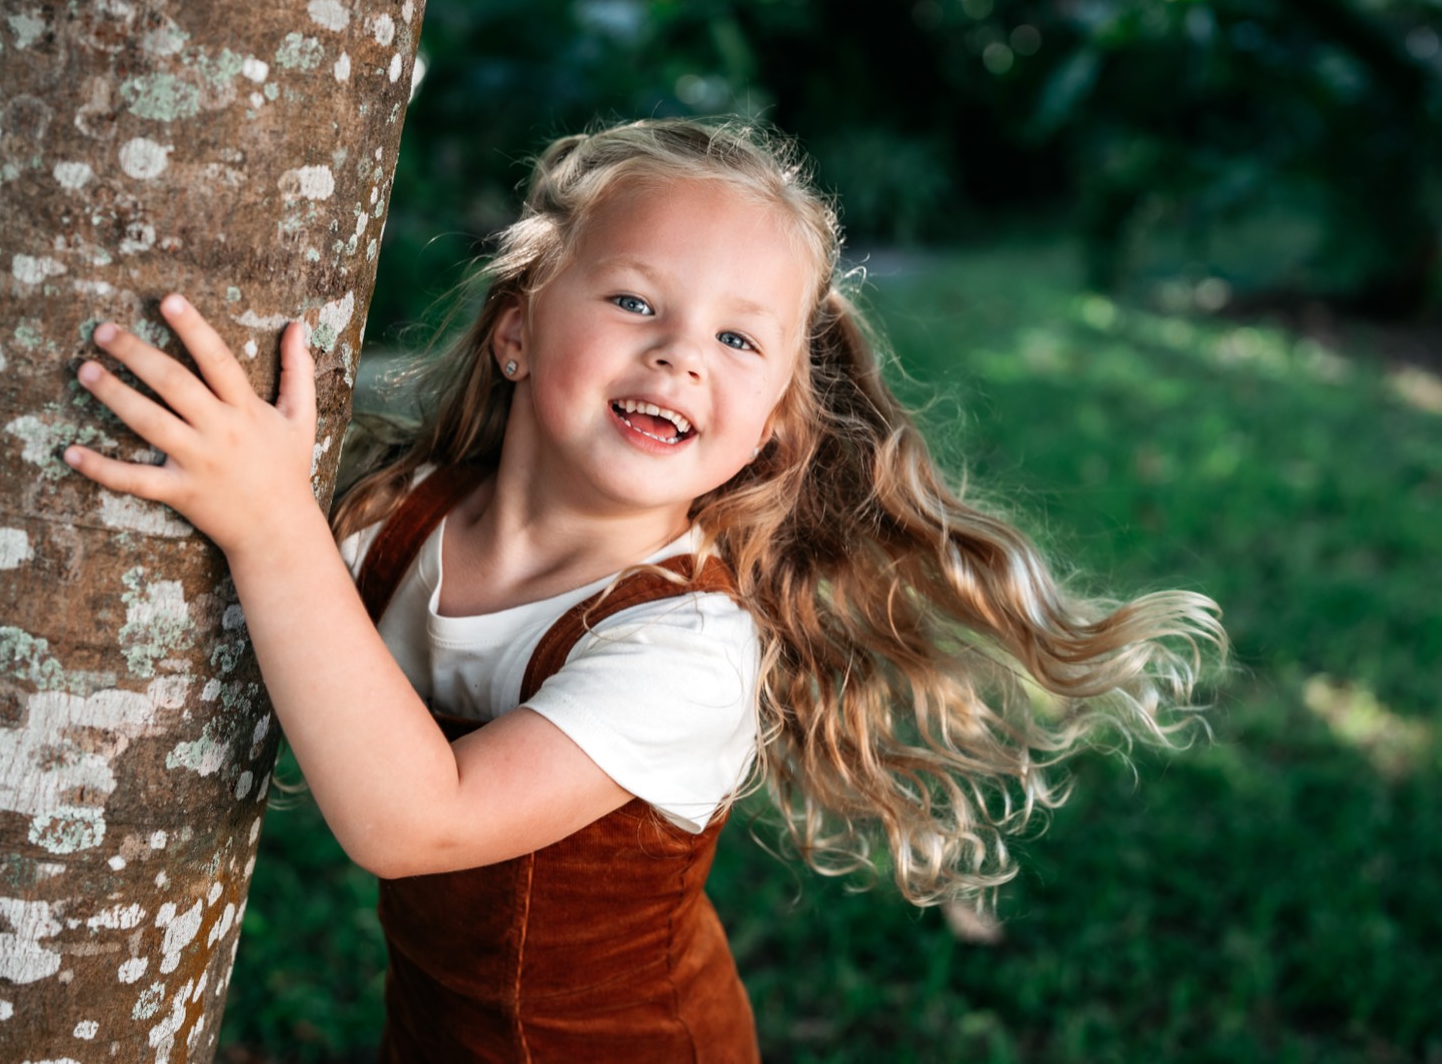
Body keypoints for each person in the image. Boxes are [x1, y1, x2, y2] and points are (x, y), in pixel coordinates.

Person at [64, 117, 1223, 1061]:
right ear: (516, 332)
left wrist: (268, 524)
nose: (678, 354)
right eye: (633, 302)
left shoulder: (686, 647)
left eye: (736, 340)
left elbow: (414, 818)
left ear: (773, 426)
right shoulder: (397, 516)